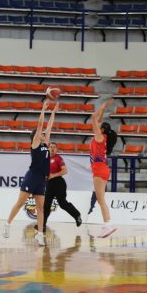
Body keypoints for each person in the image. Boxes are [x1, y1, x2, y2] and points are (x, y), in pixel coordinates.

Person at [3, 100, 58, 246]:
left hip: (42, 179)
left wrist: (53, 113)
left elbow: (49, 126)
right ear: (36, 136)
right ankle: (7, 225)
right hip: (32, 177)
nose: (44, 135)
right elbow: (40, 125)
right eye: (42, 134)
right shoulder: (35, 144)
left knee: (40, 208)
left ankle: (40, 235)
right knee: (20, 203)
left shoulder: (45, 144)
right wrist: (43, 109)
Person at [89, 99, 118, 238]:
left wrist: (102, 106)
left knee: (100, 199)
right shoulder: (104, 137)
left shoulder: (100, 137)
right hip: (103, 168)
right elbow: (98, 119)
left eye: (99, 127)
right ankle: (107, 224)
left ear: (101, 130)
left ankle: (108, 224)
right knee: (101, 199)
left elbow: (93, 118)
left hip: (99, 168)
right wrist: (103, 109)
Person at [41, 141, 82, 231]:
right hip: (49, 184)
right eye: (51, 147)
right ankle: (42, 225)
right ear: (48, 148)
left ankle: (77, 215)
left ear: (56, 149)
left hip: (59, 183)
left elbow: (65, 171)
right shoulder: (45, 159)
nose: (52, 149)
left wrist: (53, 175)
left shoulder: (58, 158)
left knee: (62, 203)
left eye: (54, 147)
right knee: (46, 205)